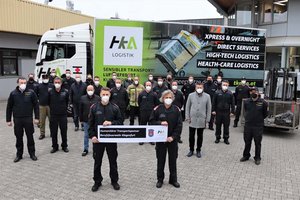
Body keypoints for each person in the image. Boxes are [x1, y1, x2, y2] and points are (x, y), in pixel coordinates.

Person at [88, 87, 123, 192]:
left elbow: (120, 122)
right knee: (97, 162)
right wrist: (92, 136)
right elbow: (90, 124)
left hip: (111, 140)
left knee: (113, 161)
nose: (105, 97)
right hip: (98, 141)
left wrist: (111, 123)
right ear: (100, 95)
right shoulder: (94, 107)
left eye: (107, 94)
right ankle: (97, 181)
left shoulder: (115, 108)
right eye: (103, 94)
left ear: (110, 95)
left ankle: (114, 181)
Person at [149, 90, 182, 189]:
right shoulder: (157, 109)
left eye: (170, 97)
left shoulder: (176, 110)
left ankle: (173, 180)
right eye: (166, 97)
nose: (168, 99)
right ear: (162, 99)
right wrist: (160, 123)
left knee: (173, 160)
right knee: (160, 160)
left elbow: (179, 125)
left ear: (172, 99)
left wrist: (173, 137)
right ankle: (160, 179)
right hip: (160, 141)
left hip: (172, 140)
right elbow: (151, 122)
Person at [6, 77, 39, 162]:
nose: (23, 84)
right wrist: (8, 120)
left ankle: (32, 154)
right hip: (17, 119)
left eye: (24, 82)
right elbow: (9, 107)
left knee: (30, 137)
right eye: (21, 83)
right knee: (19, 138)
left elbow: (36, 106)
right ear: (18, 83)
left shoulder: (31, 93)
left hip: (28, 119)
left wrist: (37, 117)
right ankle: (19, 155)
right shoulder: (13, 94)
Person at [240, 87, 268, 165]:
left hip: (258, 126)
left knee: (257, 143)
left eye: (255, 91)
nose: (253, 93)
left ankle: (257, 157)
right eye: (251, 91)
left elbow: (265, 114)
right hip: (248, 125)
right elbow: (246, 111)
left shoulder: (263, 102)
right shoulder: (247, 102)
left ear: (258, 93)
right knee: (247, 142)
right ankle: (246, 155)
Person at [185, 82, 211, 158]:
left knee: (200, 136)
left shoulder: (207, 96)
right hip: (192, 118)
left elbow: (209, 108)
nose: (199, 89)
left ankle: (198, 150)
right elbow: (187, 107)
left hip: (202, 119)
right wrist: (187, 117)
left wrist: (207, 119)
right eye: (198, 87)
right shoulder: (191, 95)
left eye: (200, 87)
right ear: (195, 88)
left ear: (203, 88)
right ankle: (191, 150)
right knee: (191, 136)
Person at [48, 77, 69, 153]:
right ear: (53, 83)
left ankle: (64, 146)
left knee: (64, 131)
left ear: (61, 83)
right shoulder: (50, 92)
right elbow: (48, 102)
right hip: (53, 115)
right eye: (55, 82)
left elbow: (67, 102)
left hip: (63, 115)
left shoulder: (65, 91)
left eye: (58, 82)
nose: (57, 84)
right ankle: (55, 147)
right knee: (54, 132)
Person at [79, 85, 100, 156]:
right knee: (86, 135)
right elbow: (80, 109)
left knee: (95, 135)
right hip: (86, 120)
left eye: (91, 90)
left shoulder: (98, 98)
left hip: (95, 120)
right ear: (86, 90)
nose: (90, 91)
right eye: (89, 90)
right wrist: (81, 119)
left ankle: (95, 150)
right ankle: (85, 149)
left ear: (94, 90)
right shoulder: (82, 98)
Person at [212, 80, 235, 145]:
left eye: (226, 85)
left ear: (228, 85)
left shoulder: (230, 93)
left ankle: (226, 138)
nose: (225, 86)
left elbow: (233, 103)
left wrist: (232, 111)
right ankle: (217, 138)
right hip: (218, 112)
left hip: (226, 112)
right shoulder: (217, 92)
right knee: (218, 126)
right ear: (221, 85)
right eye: (224, 85)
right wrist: (213, 110)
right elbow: (214, 102)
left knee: (226, 126)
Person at [138, 81, 159, 145]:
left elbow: (156, 103)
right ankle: (142, 139)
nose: (148, 86)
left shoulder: (154, 94)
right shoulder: (141, 94)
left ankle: (151, 139)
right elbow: (139, 102)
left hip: (151, 113)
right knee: (142, 126)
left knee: (151, 126)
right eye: (147, 85)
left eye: (149, 85)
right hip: (143, 112)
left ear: (151, 86)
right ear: (145, 86)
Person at [36, 74, 53, 139]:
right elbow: (35, 94)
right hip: (42, 105)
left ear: (48, 78)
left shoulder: (51, 85)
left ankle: (52, 132)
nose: (45, 79)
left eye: (47, 78)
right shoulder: (39, 86)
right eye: (44, 78)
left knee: (51, 120)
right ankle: (42, 134)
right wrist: (38, 100)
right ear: (42, 79)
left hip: (50, 106)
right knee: (42, 121)